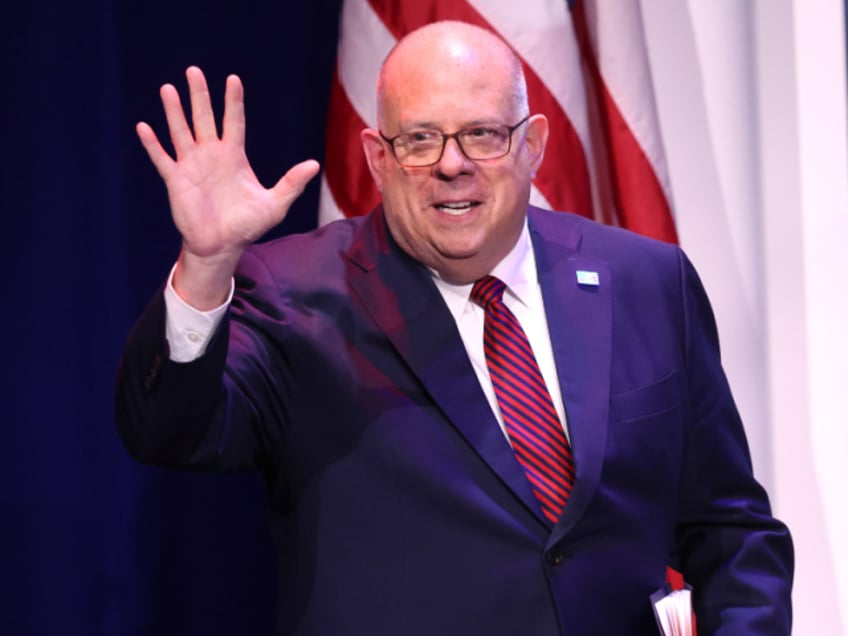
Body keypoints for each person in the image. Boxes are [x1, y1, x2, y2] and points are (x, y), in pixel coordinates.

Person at [116, 21, 793, 635]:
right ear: (379, 160)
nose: (451, 163)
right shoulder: (296, 294)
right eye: (419, 139)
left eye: (482, 134)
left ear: (532, 145)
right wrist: (205, 268)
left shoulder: (647, 283)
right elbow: (168, 430)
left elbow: (730, 531)